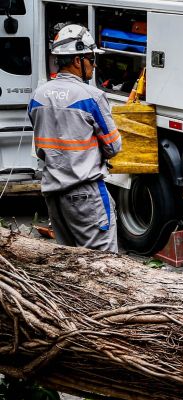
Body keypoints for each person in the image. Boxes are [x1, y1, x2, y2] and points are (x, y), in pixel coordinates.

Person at [28, 24, 122, 252]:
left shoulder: (38, 96)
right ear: (77, 60)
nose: (94, 64)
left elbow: (42, 147)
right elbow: (113, 146)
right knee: (104, 265)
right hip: (86, 193)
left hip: (54, 195)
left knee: (71, 265)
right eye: (91, 58)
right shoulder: (92, 97)